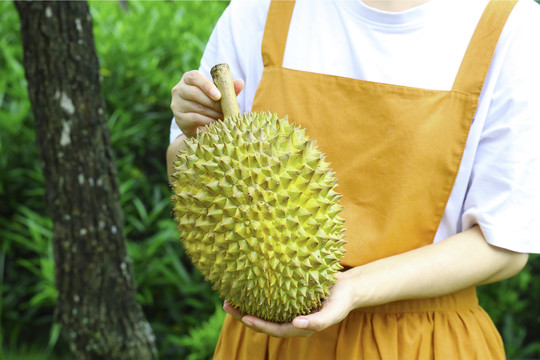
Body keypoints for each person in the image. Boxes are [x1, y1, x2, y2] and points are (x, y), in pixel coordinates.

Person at [167, 0, 540, 358]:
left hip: (421, 343)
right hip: (270, 344)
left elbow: (504, 245)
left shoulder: (509, 24)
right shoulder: (258, 10)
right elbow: (192, 188)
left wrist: (355, 288)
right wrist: (194, 128)